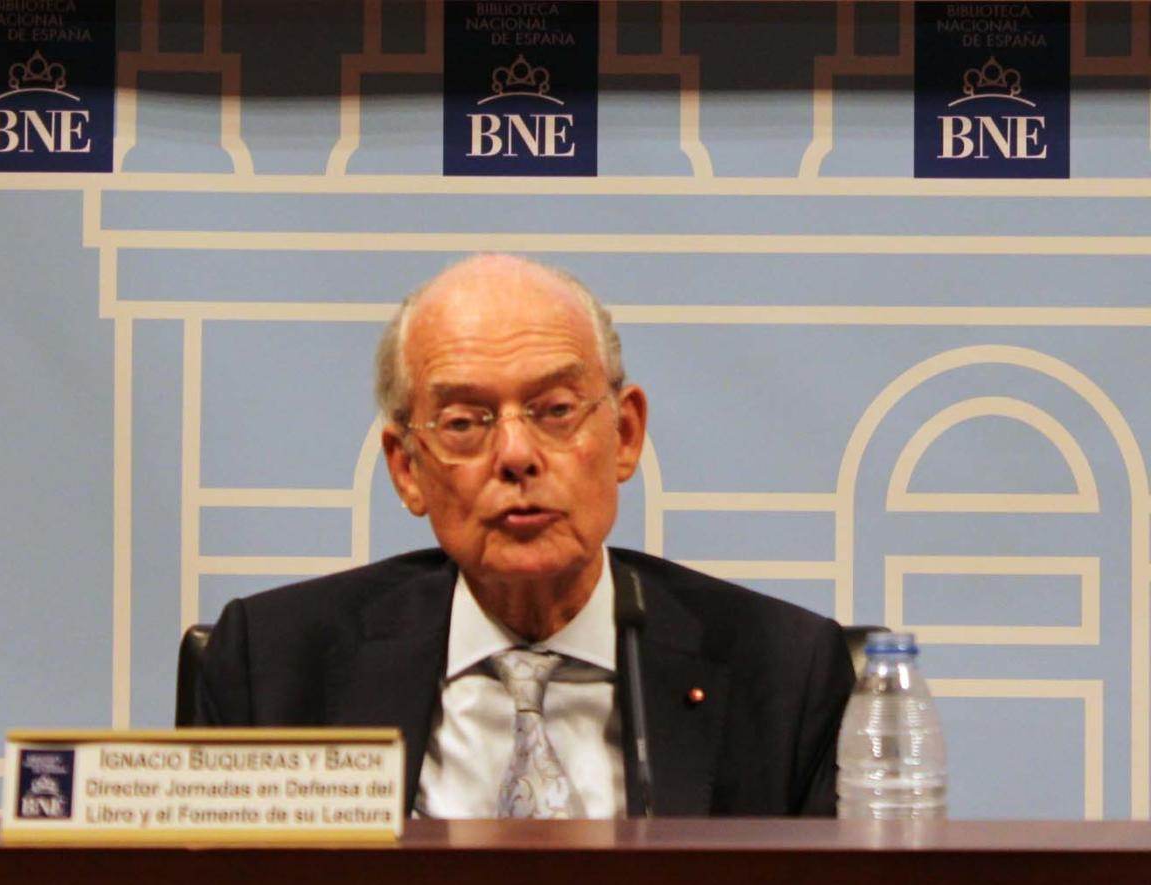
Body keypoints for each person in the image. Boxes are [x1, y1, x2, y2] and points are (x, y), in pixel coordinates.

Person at [197, 254, 853, 818]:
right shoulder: (275, 671)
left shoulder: (783, 675)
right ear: (406, 469)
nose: (516, 455)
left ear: (625, 435)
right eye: (463, 422)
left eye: (556, 411)